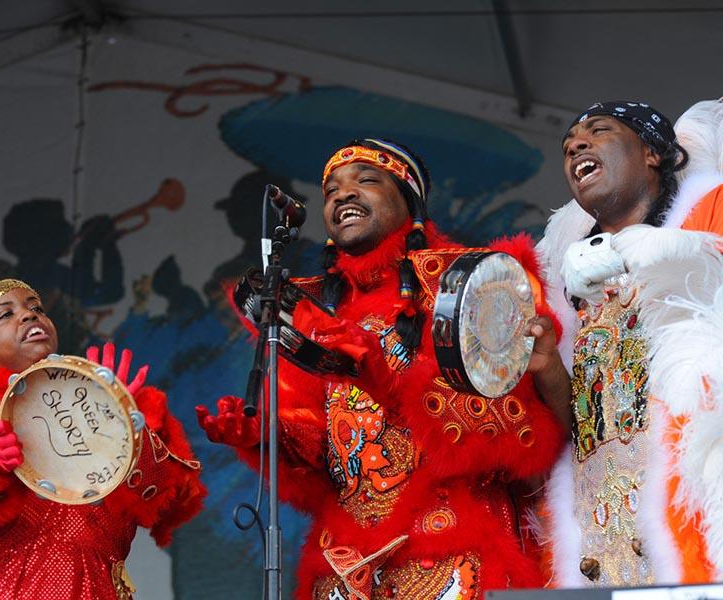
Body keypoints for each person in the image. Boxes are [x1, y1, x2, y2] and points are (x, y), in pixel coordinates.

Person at [197, 138, 564, 599]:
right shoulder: (308, 309)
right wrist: (263, 435)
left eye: (365, 181)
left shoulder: (476, 282)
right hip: (345, 560)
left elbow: (517, 430)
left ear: (409, 201)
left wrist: (384, 377)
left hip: (452, 545)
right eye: (330, 190)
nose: (342, 195)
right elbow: (320, 448)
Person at [530, 100, 723, 587]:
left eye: (598, 130)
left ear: (654, 154)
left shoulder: (709, 209)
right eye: (569, 142)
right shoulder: (565, 284)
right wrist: (550, 363)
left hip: (689, 498)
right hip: (596, 525)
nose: (576, 144)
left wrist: (673, 254)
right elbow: (578, 423)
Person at [0, 278, 205, 599]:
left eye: (36, 308)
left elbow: (174, 505)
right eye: (5, 314)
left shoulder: (104, 404)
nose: (29, 315)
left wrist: (124, 428)